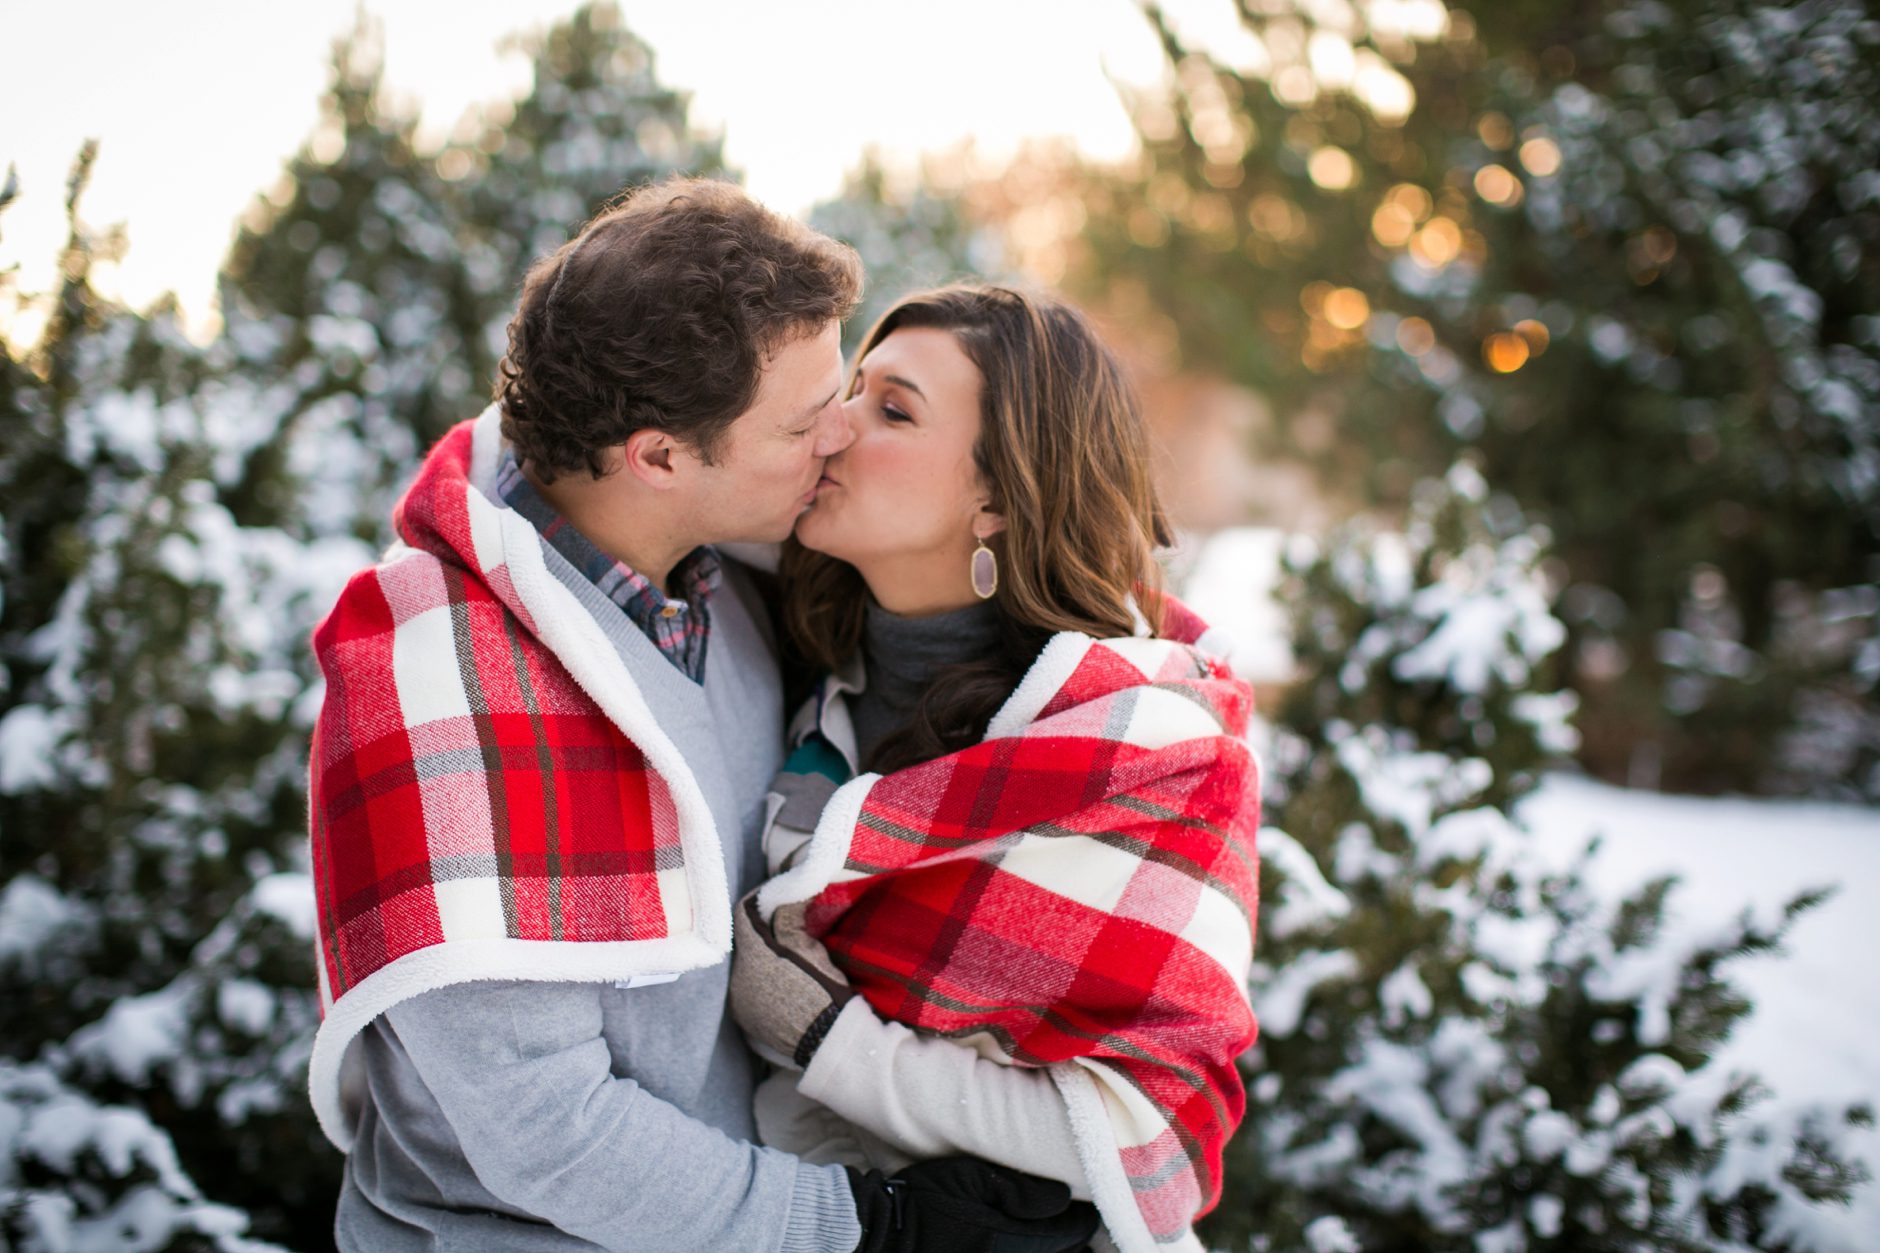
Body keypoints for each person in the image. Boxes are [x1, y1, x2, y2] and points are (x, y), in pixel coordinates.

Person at [305, 180, 1099, 1253]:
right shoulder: (450, 695)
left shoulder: (723, 571)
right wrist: (874, 1228)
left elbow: (958, 579)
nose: (840, 437)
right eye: (804, 419)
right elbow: (552, 1136)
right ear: (661, 457)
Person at [727, 286, 1263, 1253]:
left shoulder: (1145, 753)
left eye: (892, 409)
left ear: (1000, 497)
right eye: (852, 387)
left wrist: (832, 1041)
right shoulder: (795, 646)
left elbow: (1148, 1142)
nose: (835, 423)